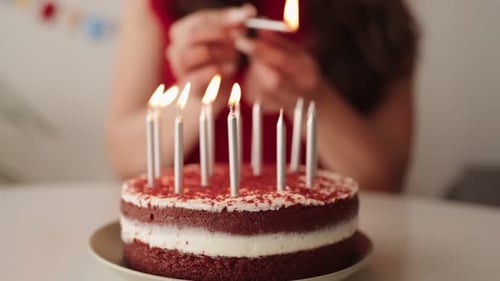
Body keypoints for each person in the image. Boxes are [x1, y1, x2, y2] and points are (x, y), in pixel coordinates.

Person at [107, 0, 419, 192]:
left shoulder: (378, 16)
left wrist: (312, 99)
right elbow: (126, 159)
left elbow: (385, 182)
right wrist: (200, 92)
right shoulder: (156, 5)